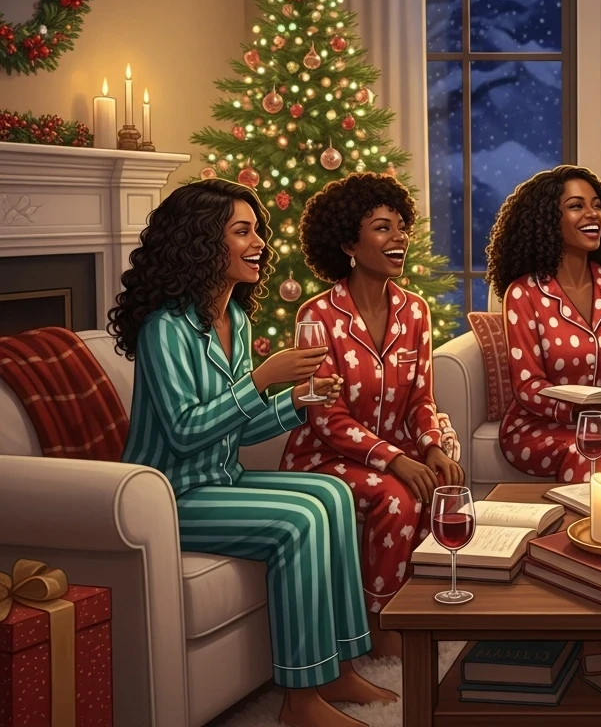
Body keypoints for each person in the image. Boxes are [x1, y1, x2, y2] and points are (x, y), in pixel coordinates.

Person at [112, 179, 395, 727]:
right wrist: (262, 379)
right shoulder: (164, 330)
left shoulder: (234, 320)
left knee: (333, 494)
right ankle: (301, 698)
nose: (259, 242)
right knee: (297, 519)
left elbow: (239, 431)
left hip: (221, 477)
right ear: (201, 242)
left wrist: (298, 402)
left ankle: (336, 665)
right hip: (169, 494)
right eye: (242, 231)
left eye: (257, 230)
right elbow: (185, 431)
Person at [281, 172, 464, 660]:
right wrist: (395, 461)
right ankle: (381, 624)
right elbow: (327, 418)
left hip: (387, 454)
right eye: (383, 228)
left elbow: (421, 398)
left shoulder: (416, 312)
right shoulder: (316, 317)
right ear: (348, 244)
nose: (400, 236)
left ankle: (422, 610)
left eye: (401, 226)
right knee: (397, 497)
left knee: (440, 484)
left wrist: (429, 447)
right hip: (322, 458)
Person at [487, 165, 601, 481]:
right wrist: (580, 413)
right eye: (576, 206)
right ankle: (581, 529)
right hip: (539, 425)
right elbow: (528, 387)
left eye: (597, 205)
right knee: (586, 447)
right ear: (547, 220)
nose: (592, 214)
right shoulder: (524, 293)